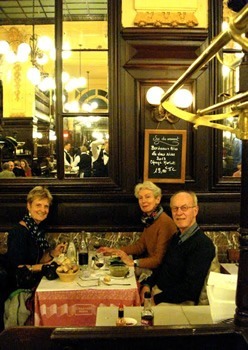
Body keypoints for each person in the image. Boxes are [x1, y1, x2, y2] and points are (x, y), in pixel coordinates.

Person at [0, 186, 66, 327]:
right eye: (38, 205)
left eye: (46, 206)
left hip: (32, 281)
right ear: (28, 206)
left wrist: (52, 253)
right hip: (19, 287)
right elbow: (18, 268)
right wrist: (46, 267)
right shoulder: (19, 232)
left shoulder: (35, 229)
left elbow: (35, 260)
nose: (43, 210)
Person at [139, 190, 215, 306]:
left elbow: (190, 289)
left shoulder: (202, 245)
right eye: (175, 208)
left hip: (179, 303)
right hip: (161, 293)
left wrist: (156, 299)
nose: (179, 213)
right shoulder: (177, 236)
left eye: (184, 208)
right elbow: (163, 266)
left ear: (195, 211)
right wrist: (147, 284)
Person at [98, 181, 177, 275]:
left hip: (160, 274)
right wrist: (116, 250)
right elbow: (140, 246)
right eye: (140, 198)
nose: (143, 201)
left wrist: (133, 262)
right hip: (152, 270)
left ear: (157, 199)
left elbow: (158, 260)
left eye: (148, 197)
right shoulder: (150, 219)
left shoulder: (164, 222)